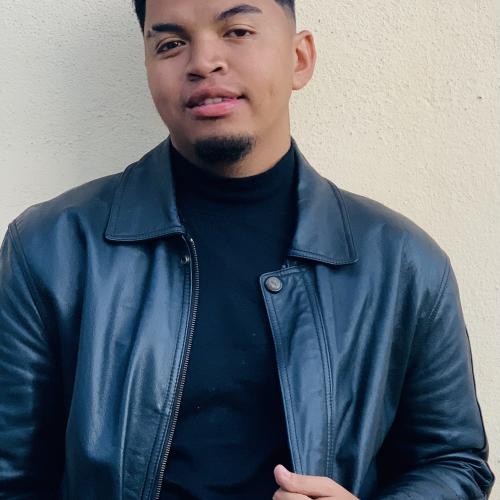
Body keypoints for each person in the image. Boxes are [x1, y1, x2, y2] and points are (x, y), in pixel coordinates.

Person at [0, 0, 494, 498]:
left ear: (299, 58)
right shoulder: (50, 248)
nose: (203, 62)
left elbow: (453, 462)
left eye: (237, 31)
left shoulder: (403, 263)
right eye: (170, 43)